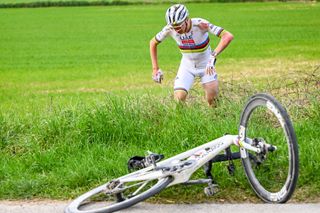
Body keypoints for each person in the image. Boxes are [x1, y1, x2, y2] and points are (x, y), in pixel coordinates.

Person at [150, 4, 234, 106]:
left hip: (206, 66)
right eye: (174, 27)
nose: (176, 30)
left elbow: (228, 36)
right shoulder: (169, 29)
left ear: (186, 19)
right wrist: (155, 69)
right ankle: (180, 121)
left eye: (179, 26)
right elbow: (153, 43)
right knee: (179, 99)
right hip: (187, 66)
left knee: (212, 101)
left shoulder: (200, 24)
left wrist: (213, 56)